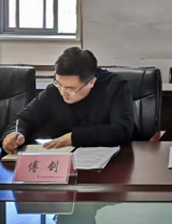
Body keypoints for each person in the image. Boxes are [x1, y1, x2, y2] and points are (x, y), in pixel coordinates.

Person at [1, 47, 135, 154]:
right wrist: (14, 133)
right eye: (59, 84)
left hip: (110, 163)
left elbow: (122, 130)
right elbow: (23, 118)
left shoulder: (115, 86)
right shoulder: (54, 90)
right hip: (61, 163)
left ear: (91, 82)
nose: (63, 93)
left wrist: (73, 138)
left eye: (70, 89)